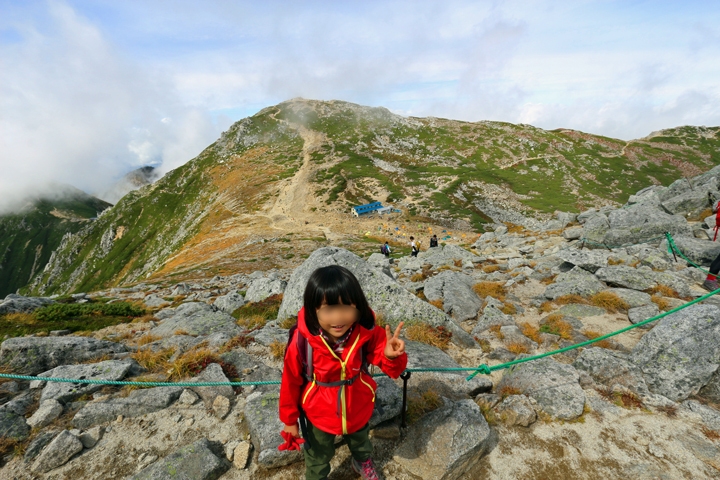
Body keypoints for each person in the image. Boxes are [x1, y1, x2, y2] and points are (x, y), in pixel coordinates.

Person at [279, 265, 407, 480]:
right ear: (313, 309)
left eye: (347, 308)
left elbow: (393, 370)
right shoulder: (302, 341)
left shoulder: (367, 333)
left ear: (359, 306)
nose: (338, 318)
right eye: (328, 310)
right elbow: (290, 382)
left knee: (361, 440)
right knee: (318, 455)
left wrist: (391, 356)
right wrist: (290, 421)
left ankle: (361, 461)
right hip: (319, 413)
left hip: (358, 404)